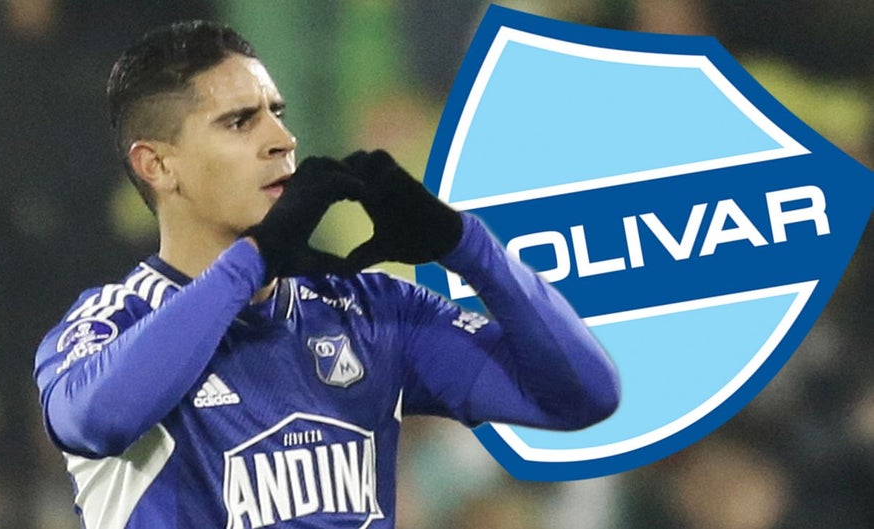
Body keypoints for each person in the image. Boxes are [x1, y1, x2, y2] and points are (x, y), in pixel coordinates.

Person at [33, 20, 620, 529]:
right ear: (158, 164)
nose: (282, 140)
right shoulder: (116, 321)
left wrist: (467, 246)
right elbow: (98, 421)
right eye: (239, 122)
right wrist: (256, 258)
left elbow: (582, 397)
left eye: (277, 113)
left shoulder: (369, 312)